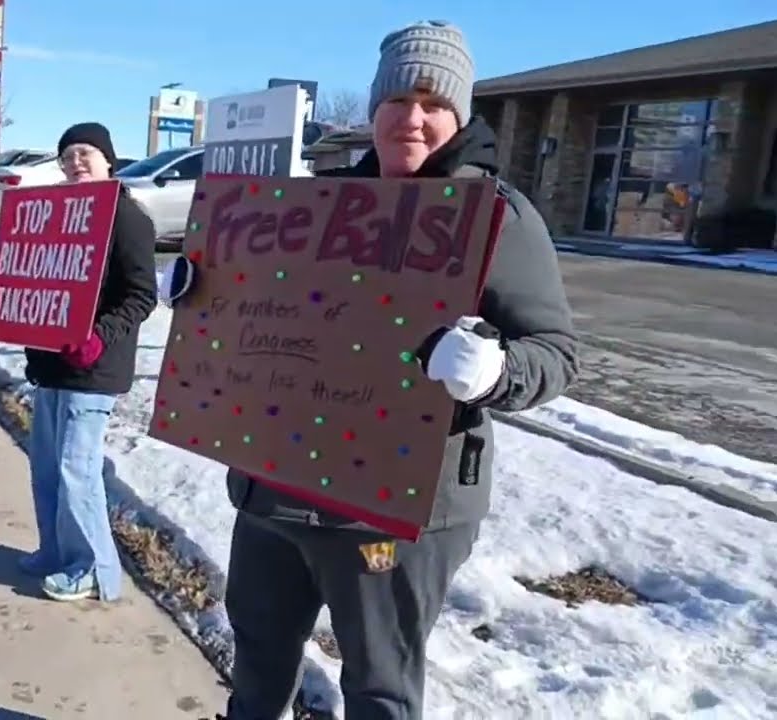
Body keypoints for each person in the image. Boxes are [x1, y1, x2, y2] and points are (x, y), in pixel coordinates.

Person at [166, 22, 579, 720]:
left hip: (394, 505)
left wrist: (495, 371)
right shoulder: (319, 207)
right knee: (259, 657)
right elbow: (275, 313)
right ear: (375, 109)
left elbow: (556, 352)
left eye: (432, 102)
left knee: (379, 688)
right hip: (277, 486)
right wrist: (206, 292)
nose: (411, 119)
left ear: (459, 114)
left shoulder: (496, 216)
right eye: (396, 101)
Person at [0, 122, 158, 602]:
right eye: (68, 154)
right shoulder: (50, 212)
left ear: (108, 161)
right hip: (49, 365)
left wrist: (99, 336)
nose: (76, 162)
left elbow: (141, 295)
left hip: (93, 367)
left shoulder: (127, 217)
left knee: (78, 469)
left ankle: (94, 569)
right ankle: (55, 550)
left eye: (86, 154)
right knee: (48, 468)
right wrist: (1, 322)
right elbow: (29, 277)